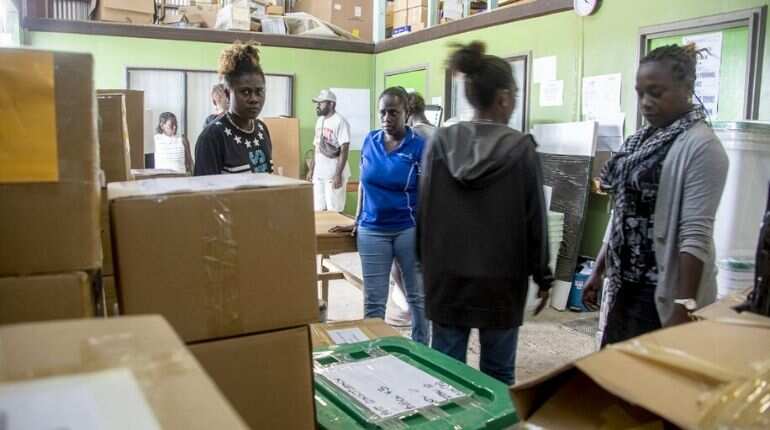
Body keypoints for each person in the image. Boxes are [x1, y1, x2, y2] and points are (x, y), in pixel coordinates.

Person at [418, 42, 552, 385]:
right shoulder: (521, 149)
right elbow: (535, 220)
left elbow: (425, 210)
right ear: (504, 97)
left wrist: (424, 263)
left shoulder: (440, 142)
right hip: (502, 282)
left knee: (445, 374)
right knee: (498, 375)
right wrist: (543, 275)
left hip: (447, 279)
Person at [583, 44, 729, 346]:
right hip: (626, 284)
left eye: (656, 92)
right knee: (615, 374)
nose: (646, 103)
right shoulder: (639, 141)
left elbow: (695, 232)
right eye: (641, 93)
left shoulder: (703, 147)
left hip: (663, 291)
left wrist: (683, 306)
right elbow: (623, 213)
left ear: (686, 88)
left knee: (652, 383)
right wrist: (599, 269)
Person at [331, 86, 429, 345]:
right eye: (383, 112)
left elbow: (426, 192)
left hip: (408, 229)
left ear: (406, 113)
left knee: (417, 297)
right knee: (374, 300)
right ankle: (376, 350)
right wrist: (358, 218)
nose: (386, 118)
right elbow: (364, 182)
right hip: (371, 230)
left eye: (393, 112)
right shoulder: (369, 141)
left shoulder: (419, 146)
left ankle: (422, 352)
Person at [194, 40, 273, 176]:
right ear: (227, 93)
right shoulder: (212, 137)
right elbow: (205, 195)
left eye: (259, 91)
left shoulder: (262, 129)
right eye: (245, 92)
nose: (254, 99)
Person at [307, 89, 351, 212]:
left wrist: (338, 175)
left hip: (333, 172)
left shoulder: (340, 121)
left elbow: (344, 149)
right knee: (318, 208)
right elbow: (316, 146)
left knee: (334, 209)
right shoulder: (320, 121)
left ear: (331, 104)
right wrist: (312, 169)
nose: (318, 106)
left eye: (321, 103)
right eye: (317, 103)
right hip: (319, 172)